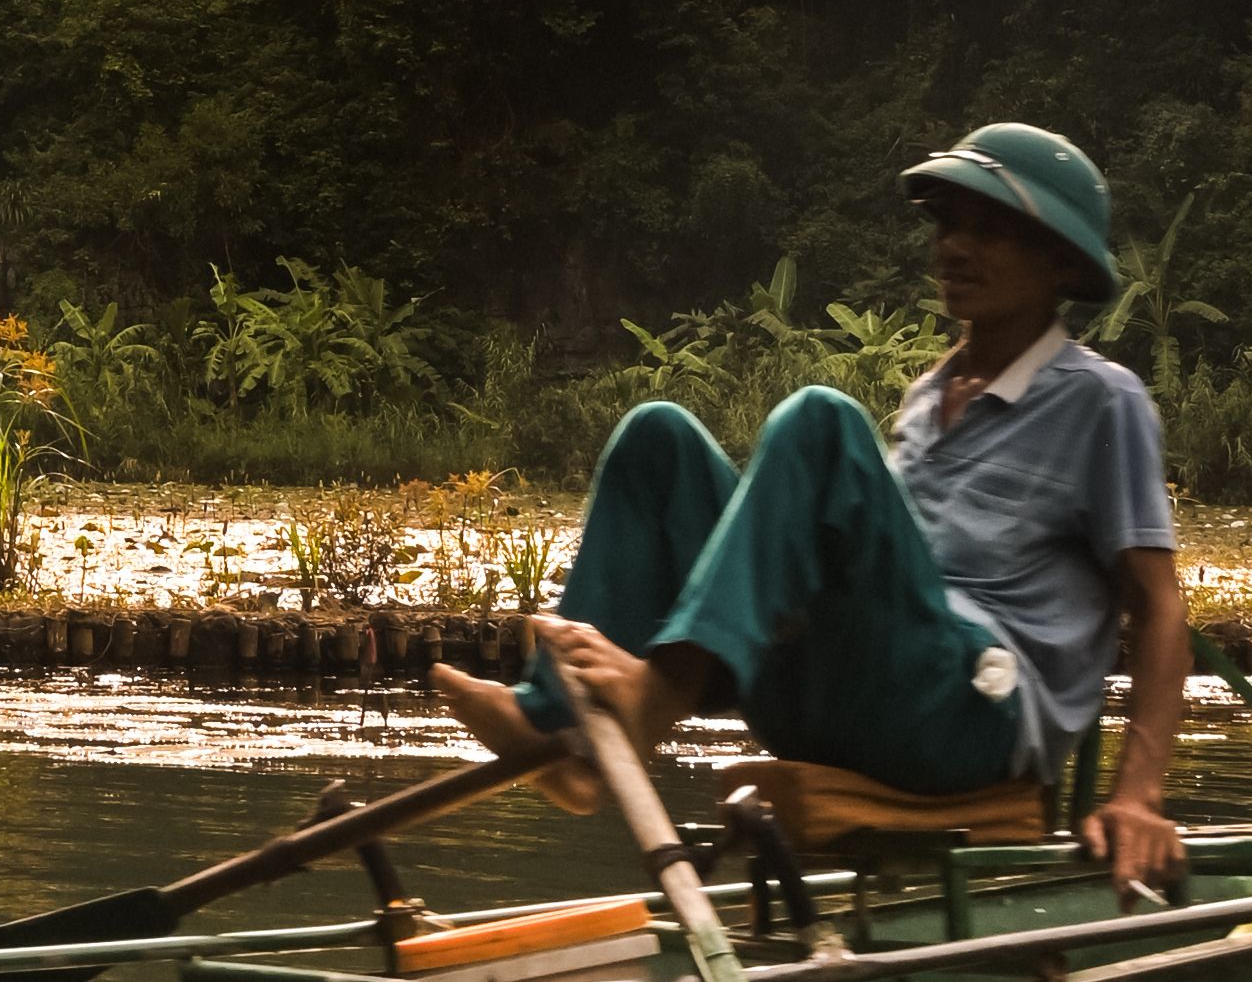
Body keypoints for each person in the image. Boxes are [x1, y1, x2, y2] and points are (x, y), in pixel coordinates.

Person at [433, 124, 1194, 892]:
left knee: (819, 419)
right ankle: (562, 727)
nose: (956, 247)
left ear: (1060, 262)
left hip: (970, 715)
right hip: (858, 690)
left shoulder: (1103, 400)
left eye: (991, 230)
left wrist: (1137, 797)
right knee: (655, 436)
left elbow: (1159, 608)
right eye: (949, 224)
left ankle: (650, 703)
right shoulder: (930, 397)